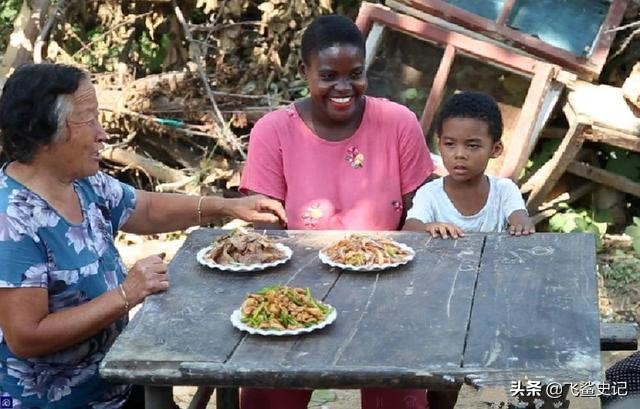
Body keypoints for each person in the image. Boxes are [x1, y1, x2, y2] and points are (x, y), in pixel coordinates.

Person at [0, 63, 286, 409]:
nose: (102, 133)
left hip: (116, 380)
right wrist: (126, 294)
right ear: (46, 132)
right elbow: (26, 336)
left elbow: (144, 208)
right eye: (89, 119)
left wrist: (227, 207)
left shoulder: (82, 181)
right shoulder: (11, 219)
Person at [239, 14, 434, 409]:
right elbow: (267, 233)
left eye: (355, 74)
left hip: (387, 286)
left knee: (398, 394)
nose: (344, 88)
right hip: (297, 286)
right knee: (269, 393)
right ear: (303, 72)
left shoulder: (399, 123)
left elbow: (423, 214)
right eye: (328, 75)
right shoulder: (273, 132)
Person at [404, 91, 534, 240]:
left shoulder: (504, 191)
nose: (459, 154)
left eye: (472, 146)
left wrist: (522, 225)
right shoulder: (430, 194)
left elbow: (521, 219)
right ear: (439, 145)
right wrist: (427, 227)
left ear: (495, 149)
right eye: (450, 144)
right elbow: (409, 228)